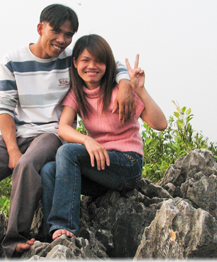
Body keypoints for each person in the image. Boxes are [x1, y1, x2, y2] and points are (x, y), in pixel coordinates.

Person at [0, 5, 135, 257]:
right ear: (40, 28)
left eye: (68, 35)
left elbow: (108, 63)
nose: (62, 40)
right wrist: (12, 149)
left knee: (27, 166)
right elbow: (4, 108)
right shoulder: (12, 60)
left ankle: (14, 240)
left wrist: (125, 85)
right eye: (56, 31)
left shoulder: (70, 61)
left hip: (51, 135)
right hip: (18, 133)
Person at [41, 34, 167, 241]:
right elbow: (63, 128)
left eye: (99, 61)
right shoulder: (77, 93)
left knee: (67, 152)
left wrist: (139, 89)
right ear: (75, 63)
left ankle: (66, 227)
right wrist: (88, 140)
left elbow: (160, 124)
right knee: (49, 170)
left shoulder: (120, 91)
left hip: (127, 165)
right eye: (85, 60)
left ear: (108, 65)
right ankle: (53, 233)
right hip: (101, 170)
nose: (92, 66)